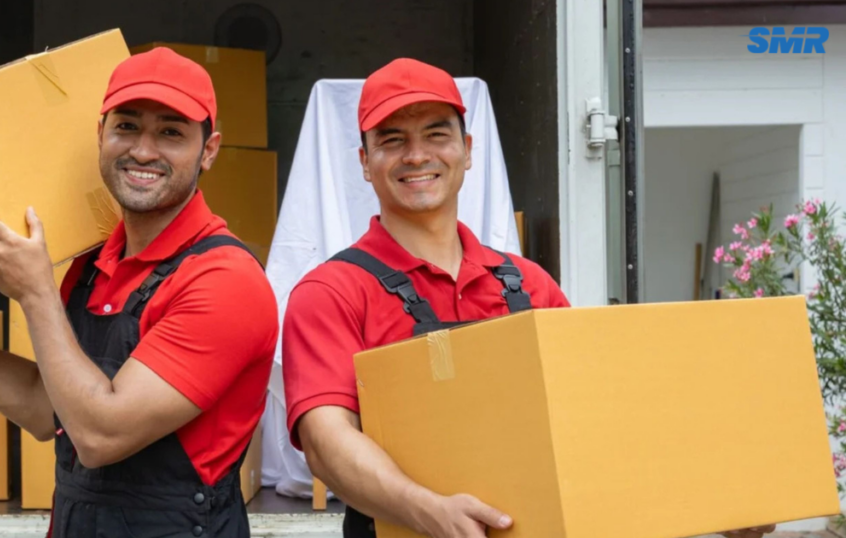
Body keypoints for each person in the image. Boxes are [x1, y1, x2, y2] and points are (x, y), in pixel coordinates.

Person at [280, 58, 777, 538]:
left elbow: (598, 418)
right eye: (392, 141)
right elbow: (327, 441)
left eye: (436, 133)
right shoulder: (331, 292)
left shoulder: (529, 284)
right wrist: (426, 510)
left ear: (468, 149)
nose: (416, 156)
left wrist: (712, 500)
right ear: (365, 163)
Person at [0, 47, 278, 538]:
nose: (143, 150)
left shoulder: (226, 281)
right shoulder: (91, 267)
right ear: (100, 135)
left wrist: (35, 295)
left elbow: (100, 434)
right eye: (127, 126)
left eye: (171, 132)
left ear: (209, 150)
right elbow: (43, 406)